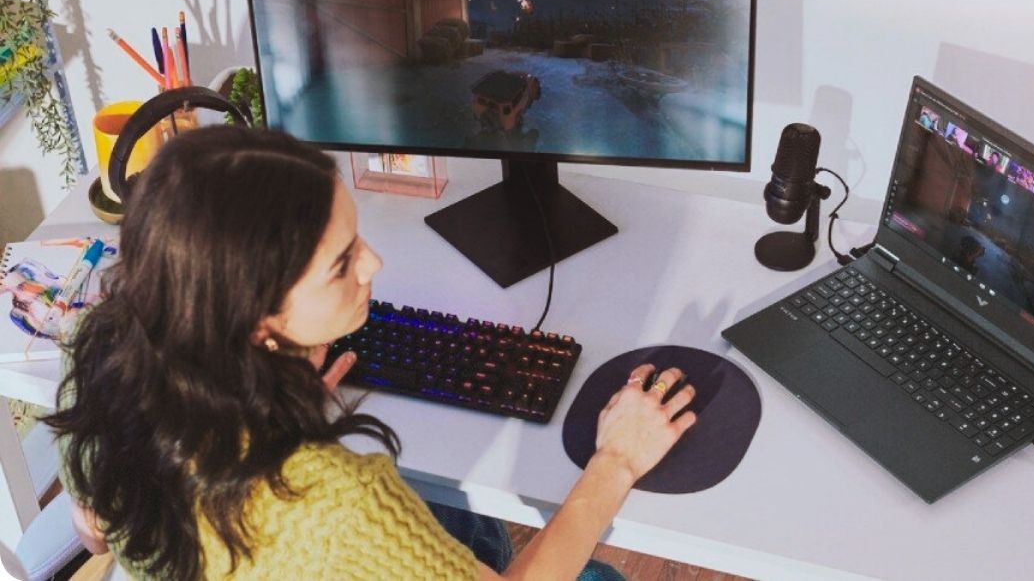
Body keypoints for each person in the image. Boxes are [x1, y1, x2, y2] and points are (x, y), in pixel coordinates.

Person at [46, 126, 698, 579]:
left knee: (463, 524)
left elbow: (93, 531)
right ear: (256, 322)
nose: (375, 263)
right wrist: (616, 460)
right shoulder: (337, 503)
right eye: (342, 264)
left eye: (356, 237)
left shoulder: (99, 359)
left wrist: (280, 395)